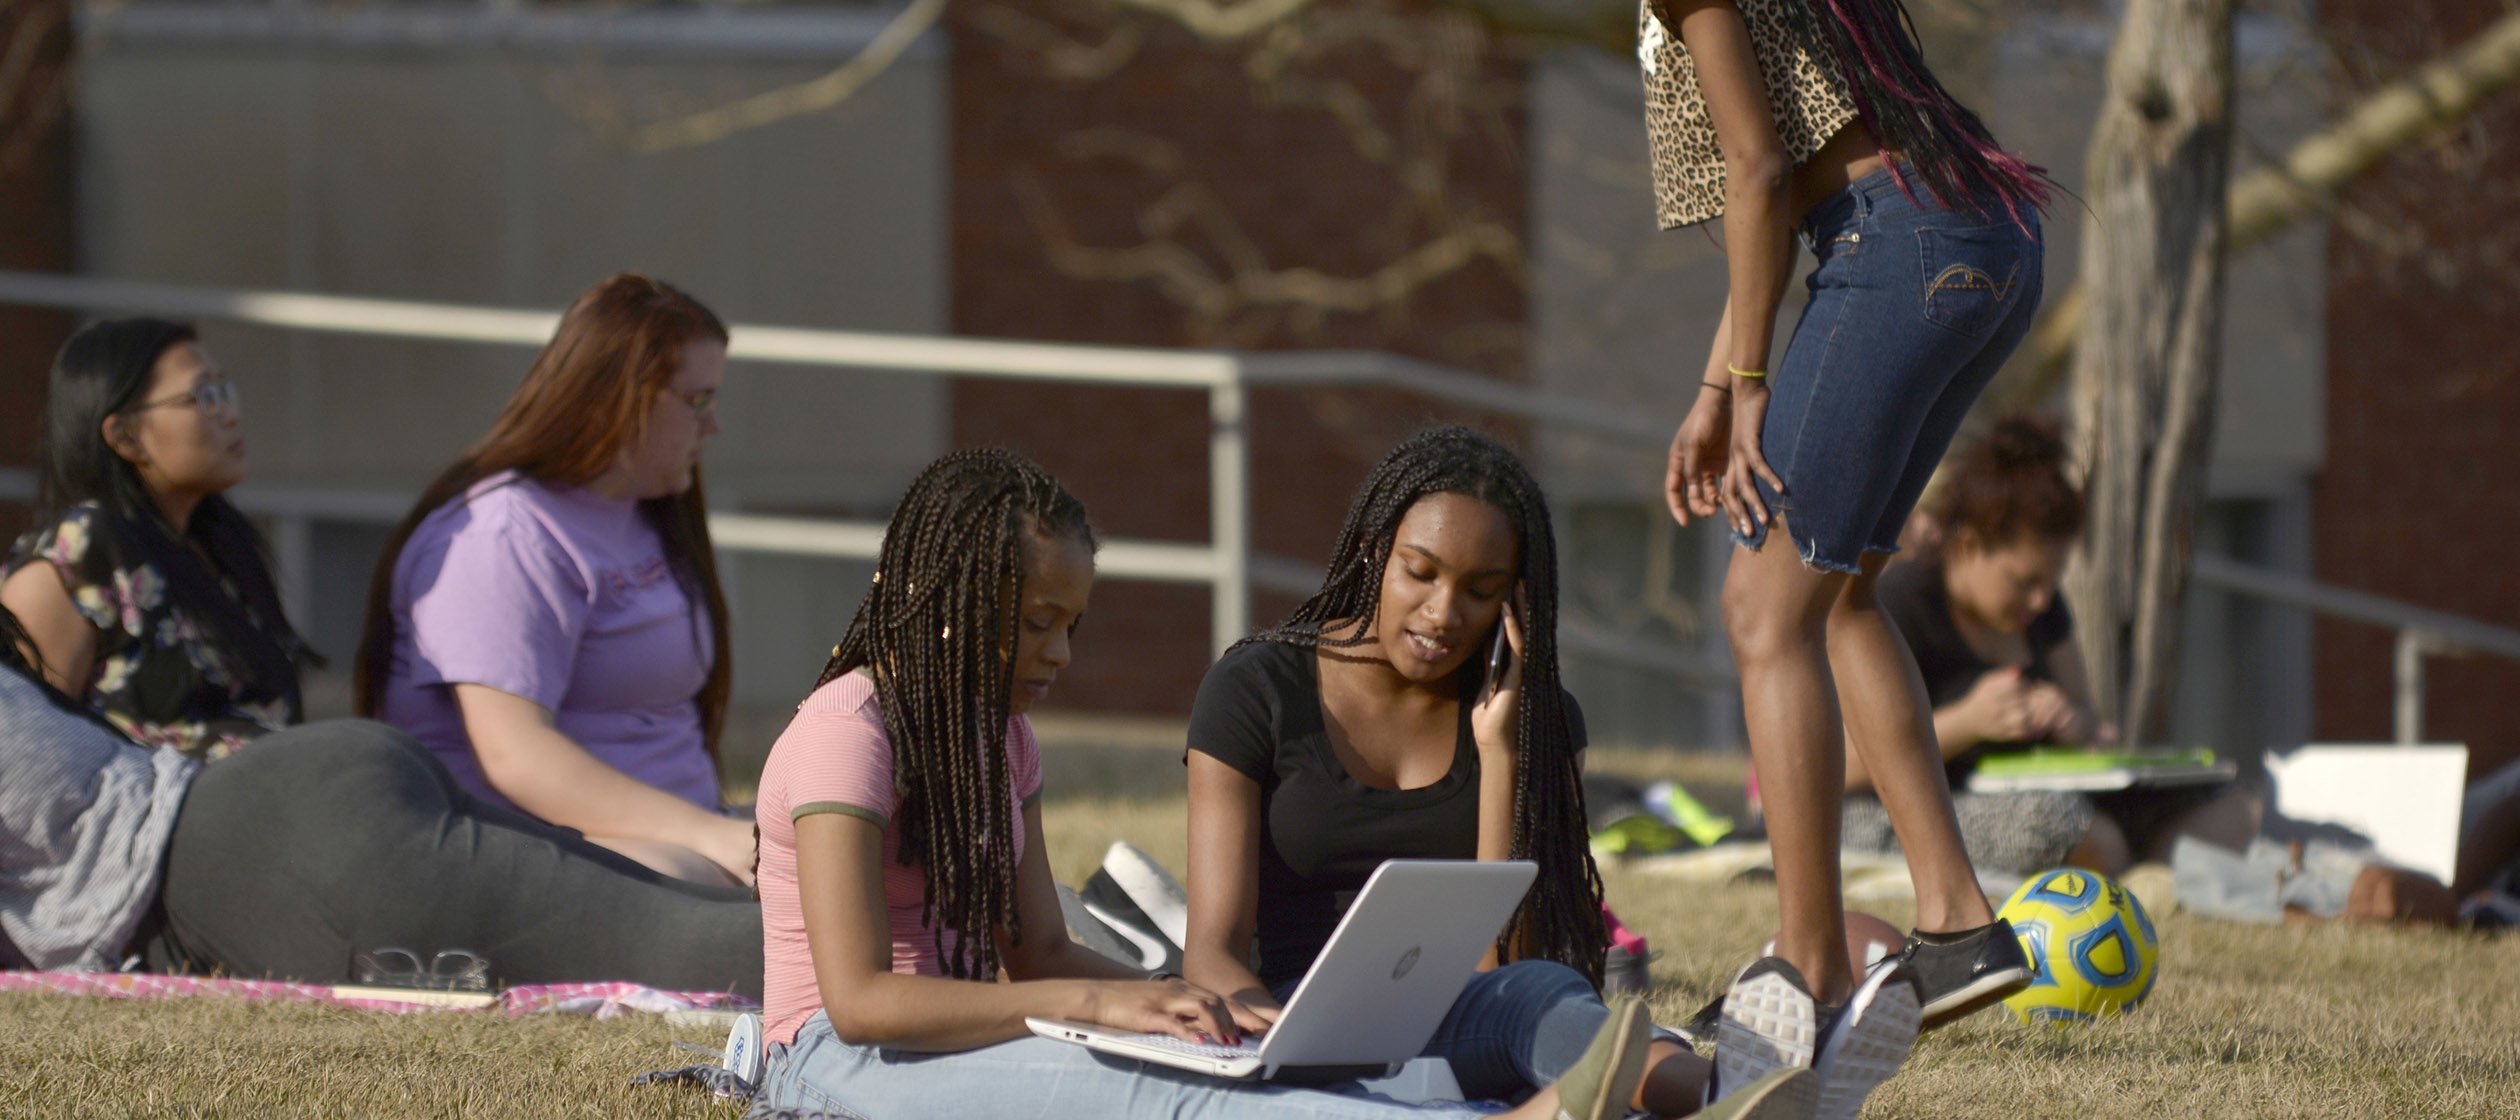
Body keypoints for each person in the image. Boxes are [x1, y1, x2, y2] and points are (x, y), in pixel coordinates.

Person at [748, 448, 1663, 1120]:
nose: (1061, 654)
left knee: (1210, 1056)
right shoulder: (846, 734)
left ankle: (1701, 1088)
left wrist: (1179, 1003)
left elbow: (1040, 957)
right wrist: (1100, 1005)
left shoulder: (1005, 741)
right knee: (1168, 1101)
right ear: (954, 602)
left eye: (1072, 625)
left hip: (966, 1035)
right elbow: (861, 1004)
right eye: (1037, 624)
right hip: (835, 1065)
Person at [1646, 0, 2049, 1091]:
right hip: (1979, 237)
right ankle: (1958, 923)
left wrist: (1746, 388)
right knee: (1843, 594)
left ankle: (1811, 964)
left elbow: (1762, 169)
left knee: (1761, 612)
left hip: (1896, 246)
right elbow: (1779, 192)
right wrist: (1710, 384)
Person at [1181, 427, 1812, 1119]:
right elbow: (1213, 950)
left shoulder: (1538, 722)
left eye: (1480, 590)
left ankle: (1736, 1102)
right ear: (1373, 552)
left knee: (1541, 996)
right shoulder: (1256, 689)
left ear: (1514, 602)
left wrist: (1502, 754)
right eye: (1420, 572)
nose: (1443, 613)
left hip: (1456, 1024)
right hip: (1284, 1027)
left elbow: (1505, 967)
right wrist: (1273, 1044)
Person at [0, 603, 761, 994]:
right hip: (296, 791)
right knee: (678, 914)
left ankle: (877, 958)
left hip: (282, 867)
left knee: (696, 952)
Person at [357, 273, 751, 886]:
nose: (713, 426)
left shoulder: (646, 508)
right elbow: (516, 756)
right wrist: (716, 839)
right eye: (697, 401)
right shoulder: (502, 535)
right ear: (620, 399)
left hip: (683, 840)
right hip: (539, 858)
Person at [1847, 417, 2260, 875]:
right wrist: (1969, 721)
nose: (2040, 600)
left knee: (2232, 811)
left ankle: (2153, 879)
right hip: (1907, 812)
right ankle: (2146, 877)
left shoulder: (2043, 610)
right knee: (2067, 828)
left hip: (2049, 796)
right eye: (2023, 582)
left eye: (2050, 582)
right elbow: (1842, 764)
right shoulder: (1898, 604)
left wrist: (2074, 721)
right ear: (1967, 547)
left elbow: (2091, 724)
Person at [3, 319, 311, 760]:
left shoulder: (220, 542)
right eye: (203, 396)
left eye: (225, 390)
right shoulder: (79, 553)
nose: (229, 412)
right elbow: (25, 751)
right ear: (125, 437)